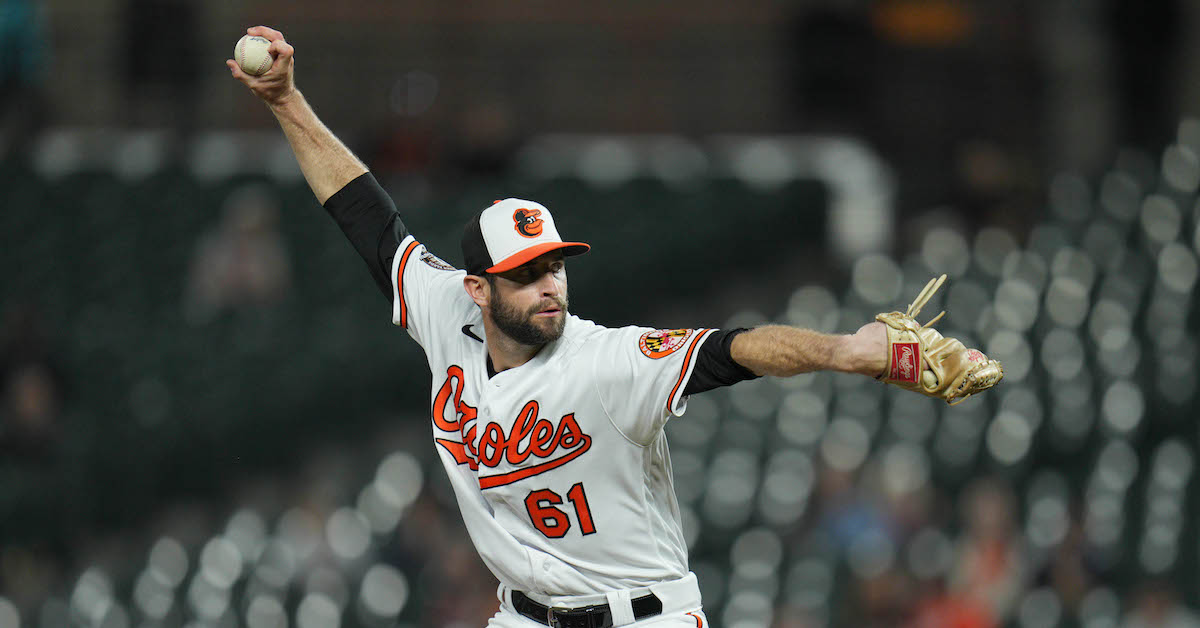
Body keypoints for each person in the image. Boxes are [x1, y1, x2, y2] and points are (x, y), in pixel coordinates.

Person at [226, 26, 988, 627]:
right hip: (524, 618)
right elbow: (365, 215)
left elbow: (732, 350)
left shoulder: (607, 361)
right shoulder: (445, 311)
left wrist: (851, 350)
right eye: (525, 274)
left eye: (554, 266)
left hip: (643, 620)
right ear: (478, 290)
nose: (548, 284)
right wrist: (287, 102)